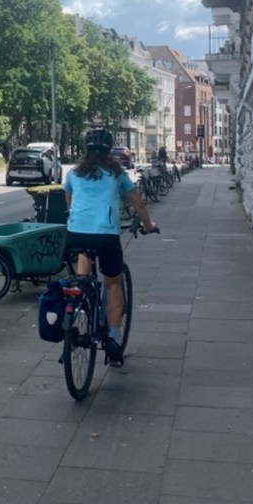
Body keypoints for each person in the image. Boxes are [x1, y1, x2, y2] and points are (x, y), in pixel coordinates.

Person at [63, 126, 156, 367]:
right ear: (109, 151)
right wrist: (148, 224)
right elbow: (137, 202)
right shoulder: (117, 174)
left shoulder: (73, 173)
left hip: (76, 233)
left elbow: (70, 205)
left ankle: (77, 313)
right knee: (113, 283)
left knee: (83, 274)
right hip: (105, 235)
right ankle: (113, 341)